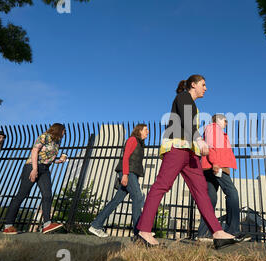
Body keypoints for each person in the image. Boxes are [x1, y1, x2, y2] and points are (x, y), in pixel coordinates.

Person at [134, 75, 241, 249]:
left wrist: (196, 144)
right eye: (203, 85)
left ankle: (217, 232)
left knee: (201, 192)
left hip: (191, 154)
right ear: (194, 84)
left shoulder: (194, 105)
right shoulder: (183, 96)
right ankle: (144, 230)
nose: (206, 88)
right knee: (161, 185)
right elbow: (184, 120)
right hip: (176, 148)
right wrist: (199, 139)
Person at [3, 123, 67, 234]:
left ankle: (47, 224)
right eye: (64, 130)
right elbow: (35, 151)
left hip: (45, 169)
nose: (64, 133)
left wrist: (59, 160)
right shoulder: (45, 136)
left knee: (47, 195)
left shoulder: (57, 142)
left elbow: (47, 157)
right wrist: (34, 169)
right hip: (32, 166)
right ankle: (8, 225)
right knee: (22, 195)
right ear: (58, 129)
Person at [89, 124, 149, 237]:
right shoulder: (132, 139)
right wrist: (125, 175)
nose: (148, 132)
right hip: (128, 173)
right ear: (139, 130)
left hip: (132, 174)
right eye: (146, 130)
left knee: (116, 200)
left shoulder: (140, 144)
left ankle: (96, 225)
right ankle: (139, 232)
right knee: (138, 197)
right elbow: (126, 156)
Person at [197, 114, 248, 241]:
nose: (226, 123)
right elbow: (211, 145)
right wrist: (215, 162)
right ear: (218, 120)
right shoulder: (213, 128)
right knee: (232, 193)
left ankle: (203, 234)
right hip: (216, 166)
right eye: (225, 121)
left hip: (212, 166)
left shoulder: (218, 131)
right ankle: (233, 231)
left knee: (211, 199)